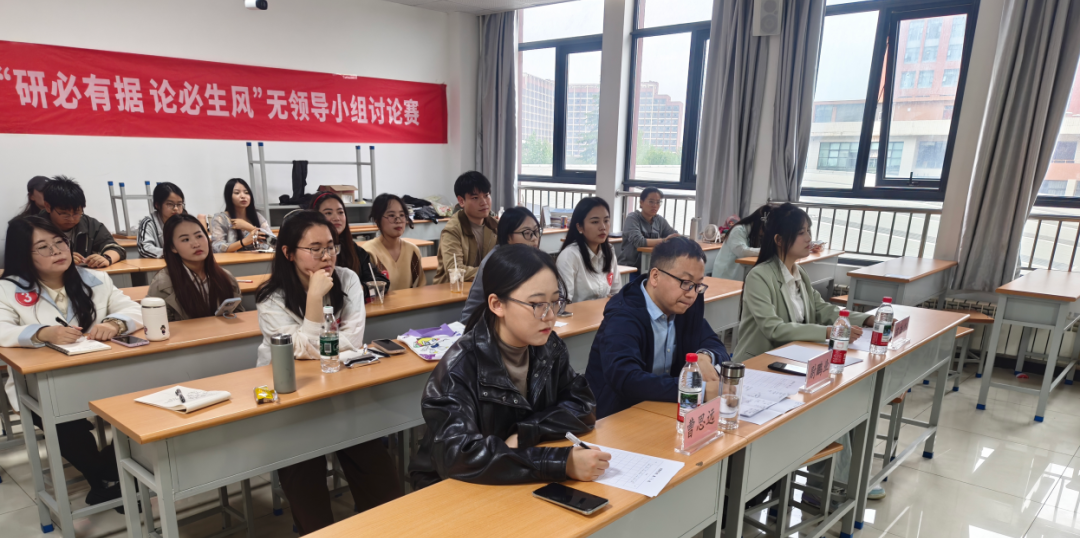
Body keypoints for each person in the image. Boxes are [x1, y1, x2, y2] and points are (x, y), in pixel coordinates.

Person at [411, 244, 606, 489]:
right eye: (537, 304)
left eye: (555, 301)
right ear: (497, 304)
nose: (550, 315)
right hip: (449, 487)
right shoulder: (458, 369)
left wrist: (527, 432)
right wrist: (560, 462)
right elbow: (460, 457)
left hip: (515, 471)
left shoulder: (549, 347)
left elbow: (583, 405)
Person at [253, 210, 400, 534]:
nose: (326, 256)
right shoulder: (270, 298)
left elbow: (352, 340)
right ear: (288, 253)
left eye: (331, 246)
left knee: (385, 489)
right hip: (292, 405)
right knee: (312, 509)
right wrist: (314, 298)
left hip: (343, 394)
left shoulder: (348, 279)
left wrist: (313, 346)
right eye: (315, 249)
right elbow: (300, 349)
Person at [733, 202, 880, 503]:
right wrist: (828, 332)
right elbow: (774, 328)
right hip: (762, 366)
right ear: (779, 239)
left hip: (794, 362)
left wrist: (864, 319)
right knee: (831, 405)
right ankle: (829, 487)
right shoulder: (760, 276)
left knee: (845, 399)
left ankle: (832, 484)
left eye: (809, 231)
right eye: (801, 232)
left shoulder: (799, 273)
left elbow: (823, 309)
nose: (809, 238)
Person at [0, 216, 143, 506]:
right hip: (45, 382)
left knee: (143, 404)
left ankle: (108, 478)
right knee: (63, 422)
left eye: (59, 242)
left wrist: (115, 323)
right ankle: (110, 477)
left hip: (103, 372)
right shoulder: (8, 289)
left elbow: (132, 309)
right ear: (22, 254)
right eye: (43, 247)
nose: (56, 251)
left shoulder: (95, 278)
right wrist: (41, 333)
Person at [585, 236, 729, 419]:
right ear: (655, 277)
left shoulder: (685, 304)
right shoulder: (623, 315)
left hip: (664, 409)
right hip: (617, 416)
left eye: (698, 285)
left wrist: (703, 357)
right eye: (685, 282)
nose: (692, 294)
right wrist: (695, 390)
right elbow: (627, 379)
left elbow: (716, 345)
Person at [146, 214, 242, 322]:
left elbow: (237, 316)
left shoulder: (226, 277)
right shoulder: (162, 284)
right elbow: (157, 325)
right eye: (186, 239)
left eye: (199, 236)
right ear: (173, 247)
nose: (196, 244)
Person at [459, 206, 542, 323]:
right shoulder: (497, 262)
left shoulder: (534, 259)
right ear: (508, 237)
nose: (534, 238)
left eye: (536, 231)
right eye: (527, 233)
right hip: (479, 324)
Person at [309, 192, 389, 298]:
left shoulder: (354, 250)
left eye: (340, 212)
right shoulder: (307, 252)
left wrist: (361, 289)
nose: (336, 218)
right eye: (328, 213)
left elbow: (382, 283)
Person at [41, 175, 125, 268]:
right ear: (48, 206)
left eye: (77, 213)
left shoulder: (90, 225)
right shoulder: (33, 227)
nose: (71, 219)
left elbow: (116, 248)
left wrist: (106, 258)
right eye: (64, 214)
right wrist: (61, 258)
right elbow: (29, 258)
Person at [433, 171, 497, 284]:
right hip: (452, 290)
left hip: (484, 288)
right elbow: (455, 271)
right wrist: (493, 272)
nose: (484, 202)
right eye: (475, 198)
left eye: (486, 195)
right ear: (461, 201)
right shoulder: (452, 230)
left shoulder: (496, 226)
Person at [556, 197, 621, 302]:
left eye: (606, 220)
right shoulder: (569, 256)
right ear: (580, 227)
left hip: (605, 312)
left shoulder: (609, 251)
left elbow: (616, 293)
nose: (603, 227)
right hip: (575, 313)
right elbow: (564, 302)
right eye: (595, 222)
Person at [362, 193, 425, 291]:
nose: (398, 220)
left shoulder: (413, 250)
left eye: (402, 215)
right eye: (391, 215)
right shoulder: (369, 252)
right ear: (377, 219)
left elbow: (420, 288)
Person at [618, 187, 678, 270]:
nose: (655, 205)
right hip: (629, 267)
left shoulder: (659, 220)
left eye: (658, 202)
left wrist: (676, 238)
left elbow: (674, 235)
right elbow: (639, 241)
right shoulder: (632, 218)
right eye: (651, 202)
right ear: (641, 202)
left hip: (651, 268)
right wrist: (664, 241)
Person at [210, 178, 275, 253]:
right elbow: (217, 247)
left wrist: (249, 227)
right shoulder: (221, 218)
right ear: (229, 196)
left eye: (246, 193)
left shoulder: (257, 216)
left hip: (258, 259)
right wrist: (244, 242)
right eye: (237, 193)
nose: (243, 196)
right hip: (233, 260)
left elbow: (275, 243)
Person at [712, 204, 772, 280]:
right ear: (759, 224)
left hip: (738, 275)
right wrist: (766, 251)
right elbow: (742, 251)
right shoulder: (738, 230)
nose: (763, 234)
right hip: (725, 277)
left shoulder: (753, 234)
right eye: (763, 230)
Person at [137, 182, 187, 258]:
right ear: (157, 205)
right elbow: (145, 249)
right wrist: (173, 254)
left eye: (179, 204)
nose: (176, 208)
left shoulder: (187, 222)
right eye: (170, 204)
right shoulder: (148, 223)